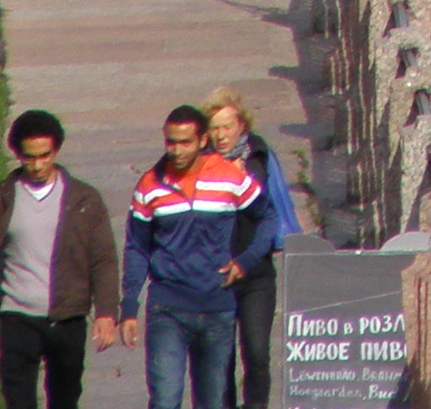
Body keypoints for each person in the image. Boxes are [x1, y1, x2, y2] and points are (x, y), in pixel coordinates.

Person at [0, 109, 121, 409]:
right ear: (17, 154)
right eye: (29, 157)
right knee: (19, 401)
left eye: (45, 155)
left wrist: (106, 312)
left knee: (65, 400)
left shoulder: (84, 200)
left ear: (56, 149)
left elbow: (103, 259)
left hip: (66, 320)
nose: (38, 165)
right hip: (17, 317)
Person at [123, 105, 266, 409]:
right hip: (168, 308)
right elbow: (136, 247)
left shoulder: (229, 176)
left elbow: (267, 217)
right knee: (165, 399)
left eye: (185, 142)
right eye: (170, 142)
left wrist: (245, 261)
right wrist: (129, 305)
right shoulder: (150, 185)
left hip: (217, 307)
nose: (176, 150)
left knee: (213, 402)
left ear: (203, 140)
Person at [201, 86, 300, 408]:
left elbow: (272, 207)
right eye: (214, 128)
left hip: (256, 270)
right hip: (217, 274)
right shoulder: (201, 164)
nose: (220, 135)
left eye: (226, 127)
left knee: (257, 352)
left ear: (242, 125)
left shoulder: (258, 154)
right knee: (221, 359)